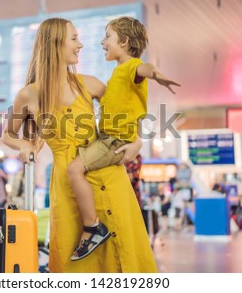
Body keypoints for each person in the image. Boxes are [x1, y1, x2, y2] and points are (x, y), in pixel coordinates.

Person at [3, 18, 157, 272]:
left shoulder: (91, 84)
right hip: (68, 185)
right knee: (74, 261)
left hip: (109, 177)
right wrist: (23, 145)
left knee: (125, 257)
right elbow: (8, 134)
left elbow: (126, 112)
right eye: (74, 39)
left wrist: (138, 140)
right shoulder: (29, 94)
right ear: (55, 44)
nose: (81, 45)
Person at [65, 16, 179, 260]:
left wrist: (156, 74)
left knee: (75, 170)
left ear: (125, 41)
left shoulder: (130, 67)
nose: (102, 42)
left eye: (108, 36)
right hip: (108, 137)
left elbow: (143, 69)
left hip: (112, 140)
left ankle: (92, 227)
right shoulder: (117, 74)